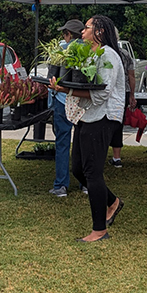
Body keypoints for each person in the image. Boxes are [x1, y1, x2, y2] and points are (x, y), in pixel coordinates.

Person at [50, 15, 125, 242]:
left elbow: (102, 93)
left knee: (92, 172)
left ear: (99, 31)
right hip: (87, 115)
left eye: (87, 28)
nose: (82, 32)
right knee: (78, 169)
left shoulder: (108, 55)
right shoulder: (90, 54)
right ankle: (113, 202)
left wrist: (66, 90)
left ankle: (99, 230)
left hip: (103, 116)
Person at [48, 19, 85, 197]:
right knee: (83, 143)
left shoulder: (61, 50)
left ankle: (61, 185)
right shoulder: (90, 51)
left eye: (64, 33)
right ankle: (85, 183)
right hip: (84, 103)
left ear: (69, 34)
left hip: (63, 101)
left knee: (62, 142)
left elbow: (51, 78)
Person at [109, 28, 137, 168]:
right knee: (117, 124)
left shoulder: (103, 53)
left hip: (108, 91)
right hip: (123, 92)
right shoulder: (124, 54)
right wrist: (132, 94)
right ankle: (116, 157)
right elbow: (131, 75)